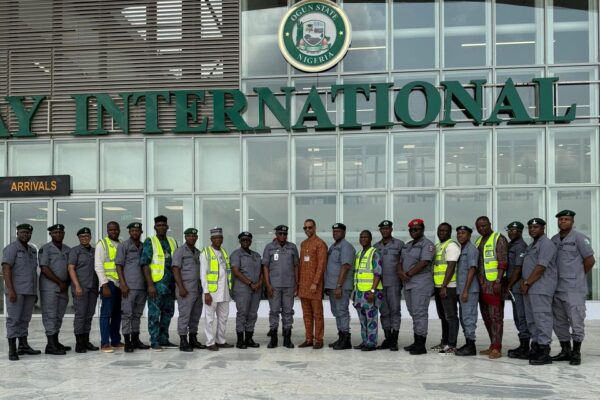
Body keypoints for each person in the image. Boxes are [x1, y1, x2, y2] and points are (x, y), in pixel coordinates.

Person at [551, 210, 595, 365]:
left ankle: (576, 353)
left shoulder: (580, 238)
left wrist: (578, 275)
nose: (563, 221)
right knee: (559, 322)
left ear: (572, 221)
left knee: (576, 320)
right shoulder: (554, 239)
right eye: (561, 219)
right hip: (557, 288)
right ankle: (565, 351)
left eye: (566, 219)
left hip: (574, 289)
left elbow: (590, 260)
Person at [520, 218, 557, 365]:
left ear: (543, 228)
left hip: (541, 287)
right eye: (530, 227)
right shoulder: (532, 245)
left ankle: (544, 350)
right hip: (530, 288)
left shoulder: (546, 244)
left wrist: (527, 282)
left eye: (536, 227)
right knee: (532, 319)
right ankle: (535, 347)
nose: (532, 230)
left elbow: (541, 267)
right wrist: (525, 283)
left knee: (542, 318)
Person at [2, 224, 41, 361]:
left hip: (29, 291)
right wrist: (11, 290)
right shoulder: (12, 248)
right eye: (23, 232)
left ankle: (23, 346)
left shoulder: (32, 250)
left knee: (25, 319)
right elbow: (6, 269)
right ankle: (12, 350)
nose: (26, 235)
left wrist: (35, 293)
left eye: (28, 233)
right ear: (17, 233)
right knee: (14, 319)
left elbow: (32, 272)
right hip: (16, 291)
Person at [140, 215, 178, 351]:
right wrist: (150, 285)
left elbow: (176, 264)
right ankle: (154, 341)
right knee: (154, 315)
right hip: (156, 285)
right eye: (159, 225)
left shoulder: (173, 241)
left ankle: (164, 339)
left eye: (163, 225)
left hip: (170, 286)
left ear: (167, 227)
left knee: (168, 314)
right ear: (155, 227)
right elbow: (144, 264)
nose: (161, 227)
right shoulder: (150, 241)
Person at [398, 218, 435, 355]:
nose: (413, 231)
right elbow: (400, 261)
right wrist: (400, 272)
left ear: (422, 229)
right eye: (411, 229)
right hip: (408, 283)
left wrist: (407, 274)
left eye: (416, 229)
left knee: (420, 313)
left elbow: (424, 262)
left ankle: (421, 344)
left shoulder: (427, 244)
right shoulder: (407, 245)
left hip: (421, 283)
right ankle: (416, 341)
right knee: (413, 312)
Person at [474, 216, 509, 359]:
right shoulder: (478, 241)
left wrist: (498, 281)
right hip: (481, 285)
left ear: (490, 224)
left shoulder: (498, 238)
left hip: (494, 284)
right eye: (479, 227)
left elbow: (503, 261)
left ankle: (497, 348)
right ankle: (492, 344)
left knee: (496, 317)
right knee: (486, 316)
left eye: (484, 225)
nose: (481, 228)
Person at [263, 225, 299, 349]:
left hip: (289, 285)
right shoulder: (269, 247)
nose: (283, 236)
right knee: (274, 312)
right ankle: (273, 339)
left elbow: (296, 266)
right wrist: (268, 285)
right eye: (280, 234)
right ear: (276, 235)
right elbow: (265, 267)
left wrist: (296, 284)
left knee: (288, 312)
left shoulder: (292, 247)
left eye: (285, 234)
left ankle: (287, 339)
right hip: (274, 286)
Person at [115, 222, 149, 353]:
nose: (135, 232)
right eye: (133, 230)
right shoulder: (124, 245)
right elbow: (119, 265)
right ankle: (127, 341)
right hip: (129, 286)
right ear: (129, 232)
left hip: (142, 287)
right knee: (127, 314)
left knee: (137, 315)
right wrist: (122, 284)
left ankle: (135, 339)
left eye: (137, 230)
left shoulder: (144, 246)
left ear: (141, 232)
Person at [38, 223, 71, 355]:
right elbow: (44, 268)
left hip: (63, 288)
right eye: (55, 232)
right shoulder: (45, 249)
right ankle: (50, 345)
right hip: (49, 288)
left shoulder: (67, 249)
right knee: (50, 315)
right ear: (51, 234)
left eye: (60, 232)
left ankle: (55, 342)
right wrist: (60, 282)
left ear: (64, 234)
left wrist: (66, 283)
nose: (58, 234)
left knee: (59, 315)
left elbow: (70, 268)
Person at [200, 227, 233, 351]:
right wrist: (206, 293)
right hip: (211, 292)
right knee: (209, 319)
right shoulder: (206, 253)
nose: (218, 239)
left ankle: (221, 340)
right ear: (211, 239)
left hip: (224, 292)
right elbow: (203, 274)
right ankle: (210, 342)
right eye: (215, 238)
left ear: (222, 238)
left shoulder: (224, 252)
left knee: (223, 318)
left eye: (220, 237)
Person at [68, 227, 99, 353]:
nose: (84, 238)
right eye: (81, 237)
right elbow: (71, 268)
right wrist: (77, 286)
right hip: (80, 288)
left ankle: (86, 340)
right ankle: (79, 343)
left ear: (90, 237)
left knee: (89, 315)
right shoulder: (75, 251)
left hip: (93, 288)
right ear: (78, 238)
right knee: (80, 315)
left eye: (86, 236)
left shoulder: (94, 251)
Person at [373, 220, 404, 351]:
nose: (385, 231)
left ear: (391, 229)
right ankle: (388, 338)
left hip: (394, 283)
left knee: (395, 311)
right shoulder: (376, 246)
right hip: (380, 285)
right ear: (380, 230)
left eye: (387, 228)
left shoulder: (399, 244)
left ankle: (394, 340)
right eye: (382, 229)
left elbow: (403, 263)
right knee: (384, 312)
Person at [173, 228, 205, 352]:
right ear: (185, 237)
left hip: (197, 288)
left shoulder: (198, 252)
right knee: (185, 315)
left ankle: (193, 339)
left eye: (194, 236)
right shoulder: (180, 251)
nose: (192, 238)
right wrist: (181, 287)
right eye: (189, 236)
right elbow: (175, 269)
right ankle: (183, 341)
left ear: (197, 237)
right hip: (185, 289)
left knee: (195, 315)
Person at [324, 223, 355, 350]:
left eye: (338, 231)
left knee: (342, 311)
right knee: (336, 312)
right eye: (334, 231)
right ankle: (341, 337)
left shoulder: (345, 246)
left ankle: (346, 340)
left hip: (341, 286)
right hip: (332, 286)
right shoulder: (333, 247)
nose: (335, 233)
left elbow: (345, 266)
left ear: (344, 232)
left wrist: (338, 285)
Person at [298, 219, 328, 349]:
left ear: (315, 228)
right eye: (305, 228)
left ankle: (319, 339)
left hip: (315, 286)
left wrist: (315, 282)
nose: (307, 230)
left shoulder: (320, 244)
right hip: (303, 286)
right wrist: (298, 283)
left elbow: (321, 265)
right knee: (306, 314)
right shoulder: (303, 244)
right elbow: (301, 265)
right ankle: (309, 338)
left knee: (317, 314)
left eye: (309, 227)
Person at [431, 222, 461, 354]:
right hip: (439, 286)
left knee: (451, 316)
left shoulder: (451, 246)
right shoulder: (438, 246)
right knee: (443, 316)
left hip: (449, 287)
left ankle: (452, 344)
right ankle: (445, 342)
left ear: (450, 232)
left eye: (445, 231)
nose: (441, 233)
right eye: (440, 230)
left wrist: (444, 286)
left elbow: (451, 267)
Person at [230, 231, 263, 349]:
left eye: (247, 240)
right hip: (242, 289)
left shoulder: (256, 255)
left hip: (256, 289)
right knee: (242, 314)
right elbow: (236, 272)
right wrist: (250, 283)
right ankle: (240, 340)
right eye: (243, 240)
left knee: (253, 314)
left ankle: (249, 338)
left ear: (251, 241)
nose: (245, 242)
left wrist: (259, 283)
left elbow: (262, 271)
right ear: (239, 241)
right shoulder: (236, 254)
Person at [352, 230, 384, 351]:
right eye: (361, 237)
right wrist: (355, 292)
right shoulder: (359, 254)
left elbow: (377, 274)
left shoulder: (375, 253)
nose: (363, 239)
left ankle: (371, 343)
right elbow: (357, 274)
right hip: (359, 292)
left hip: (370, 293)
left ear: (370, 239)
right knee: (362, 319)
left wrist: (372, 291)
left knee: (371, 319)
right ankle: (365, 341)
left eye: (366, 237)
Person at [95, 221, 122, 353]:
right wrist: (104, 285)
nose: (113, 232)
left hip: (120, 284)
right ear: (107, 231)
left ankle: (115, 341)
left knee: (117, 313)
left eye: (115, 229)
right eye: (111, 230)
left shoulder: (121, 243)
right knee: (106, 314)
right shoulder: (102, 244)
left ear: (119, 230)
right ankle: (105, 343)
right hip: (108, 283)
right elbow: (98, 265)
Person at [505, 221, 531, 359]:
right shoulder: (511, 245)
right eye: (509, 230)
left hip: (516, 286)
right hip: (513, 286)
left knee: (521, 316)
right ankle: (523, 345)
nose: (510, 232)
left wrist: (509, 285)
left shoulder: (520, 246)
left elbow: (518, 268)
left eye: (513, 230)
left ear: (520, 232)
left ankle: (525, 347)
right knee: (517, 316)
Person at [454, 226, 480, 356]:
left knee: (469, 318)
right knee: (464, 318)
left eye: (463, 233)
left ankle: (471, 346)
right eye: (458, 233)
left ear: (469, 235)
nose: (460, 235)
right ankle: (468, 343)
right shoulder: (462, 249)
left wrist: (465, 290)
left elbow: (472, 269)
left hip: (469, 290)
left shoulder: (471, 249)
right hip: (462, 289)